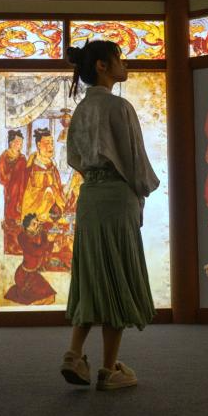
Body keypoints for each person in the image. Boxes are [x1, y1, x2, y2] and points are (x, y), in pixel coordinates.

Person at [60, 40, 159, 391]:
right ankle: (108, 369)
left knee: (90, 275)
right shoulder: (119, 107)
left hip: (89, 197)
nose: (124, 64)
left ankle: (74, 354)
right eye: (119, 58)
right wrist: (142, 190)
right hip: (117, 197)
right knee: (116, 276)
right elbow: (135, 160)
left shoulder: (81, 110)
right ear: (102, 66)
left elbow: (74, 157)